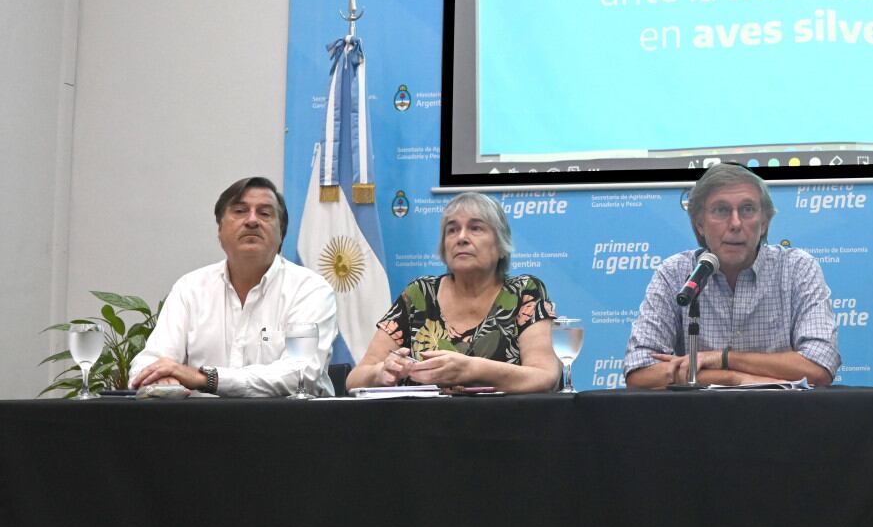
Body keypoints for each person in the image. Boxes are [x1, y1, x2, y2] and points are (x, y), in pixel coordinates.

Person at [625, 163, 840, 388]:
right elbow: (640, 373)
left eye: (747, 209)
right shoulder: (675, 273)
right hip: (696, 420)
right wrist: (733, 378)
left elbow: (819, 368)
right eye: (721, 210)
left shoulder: (797, 268)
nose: (736, 224)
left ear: (764, 222)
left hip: (782, 417)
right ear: (699, 224)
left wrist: (723, 358)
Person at [131, 176, 338, 396]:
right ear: (220, 230)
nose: (252, 220)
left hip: (288, 424)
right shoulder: (190, 288)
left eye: (265, 213)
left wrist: (204, 379)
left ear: (281, 234)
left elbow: (300, 375)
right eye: (240, 211)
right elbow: (149, 362)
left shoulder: (310, 290)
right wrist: (163, 378)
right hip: (200, 425)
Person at [345, 192, 562, 393]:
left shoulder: (524, 291)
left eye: (476, 228)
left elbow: (544, 376)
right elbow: (354, 379)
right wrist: (381, 371)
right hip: (423, 427)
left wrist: (472, 369)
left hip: (505, 427)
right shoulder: (419, 294)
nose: (461, 238)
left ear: (500, 245)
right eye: (452, 230)